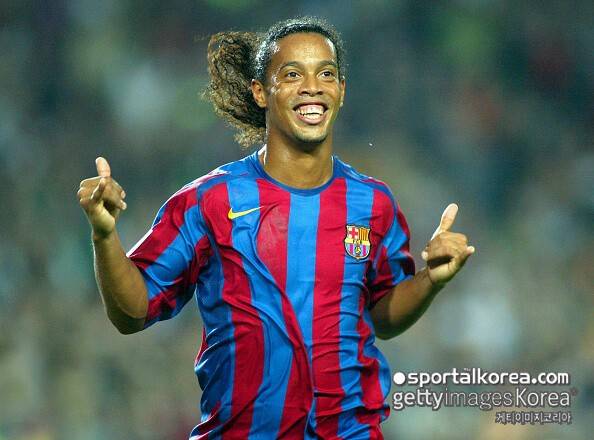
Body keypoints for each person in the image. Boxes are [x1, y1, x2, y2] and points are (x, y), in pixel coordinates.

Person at [77, 17, 474, 440]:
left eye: (326, 74)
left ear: (341, 91)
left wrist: (429, 280)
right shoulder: (210, 200)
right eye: (292, 75)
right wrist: (104, 234)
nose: (312, 87)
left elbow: (382, 315)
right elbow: (132, 312)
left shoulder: (373, 204)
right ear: (260, 92)